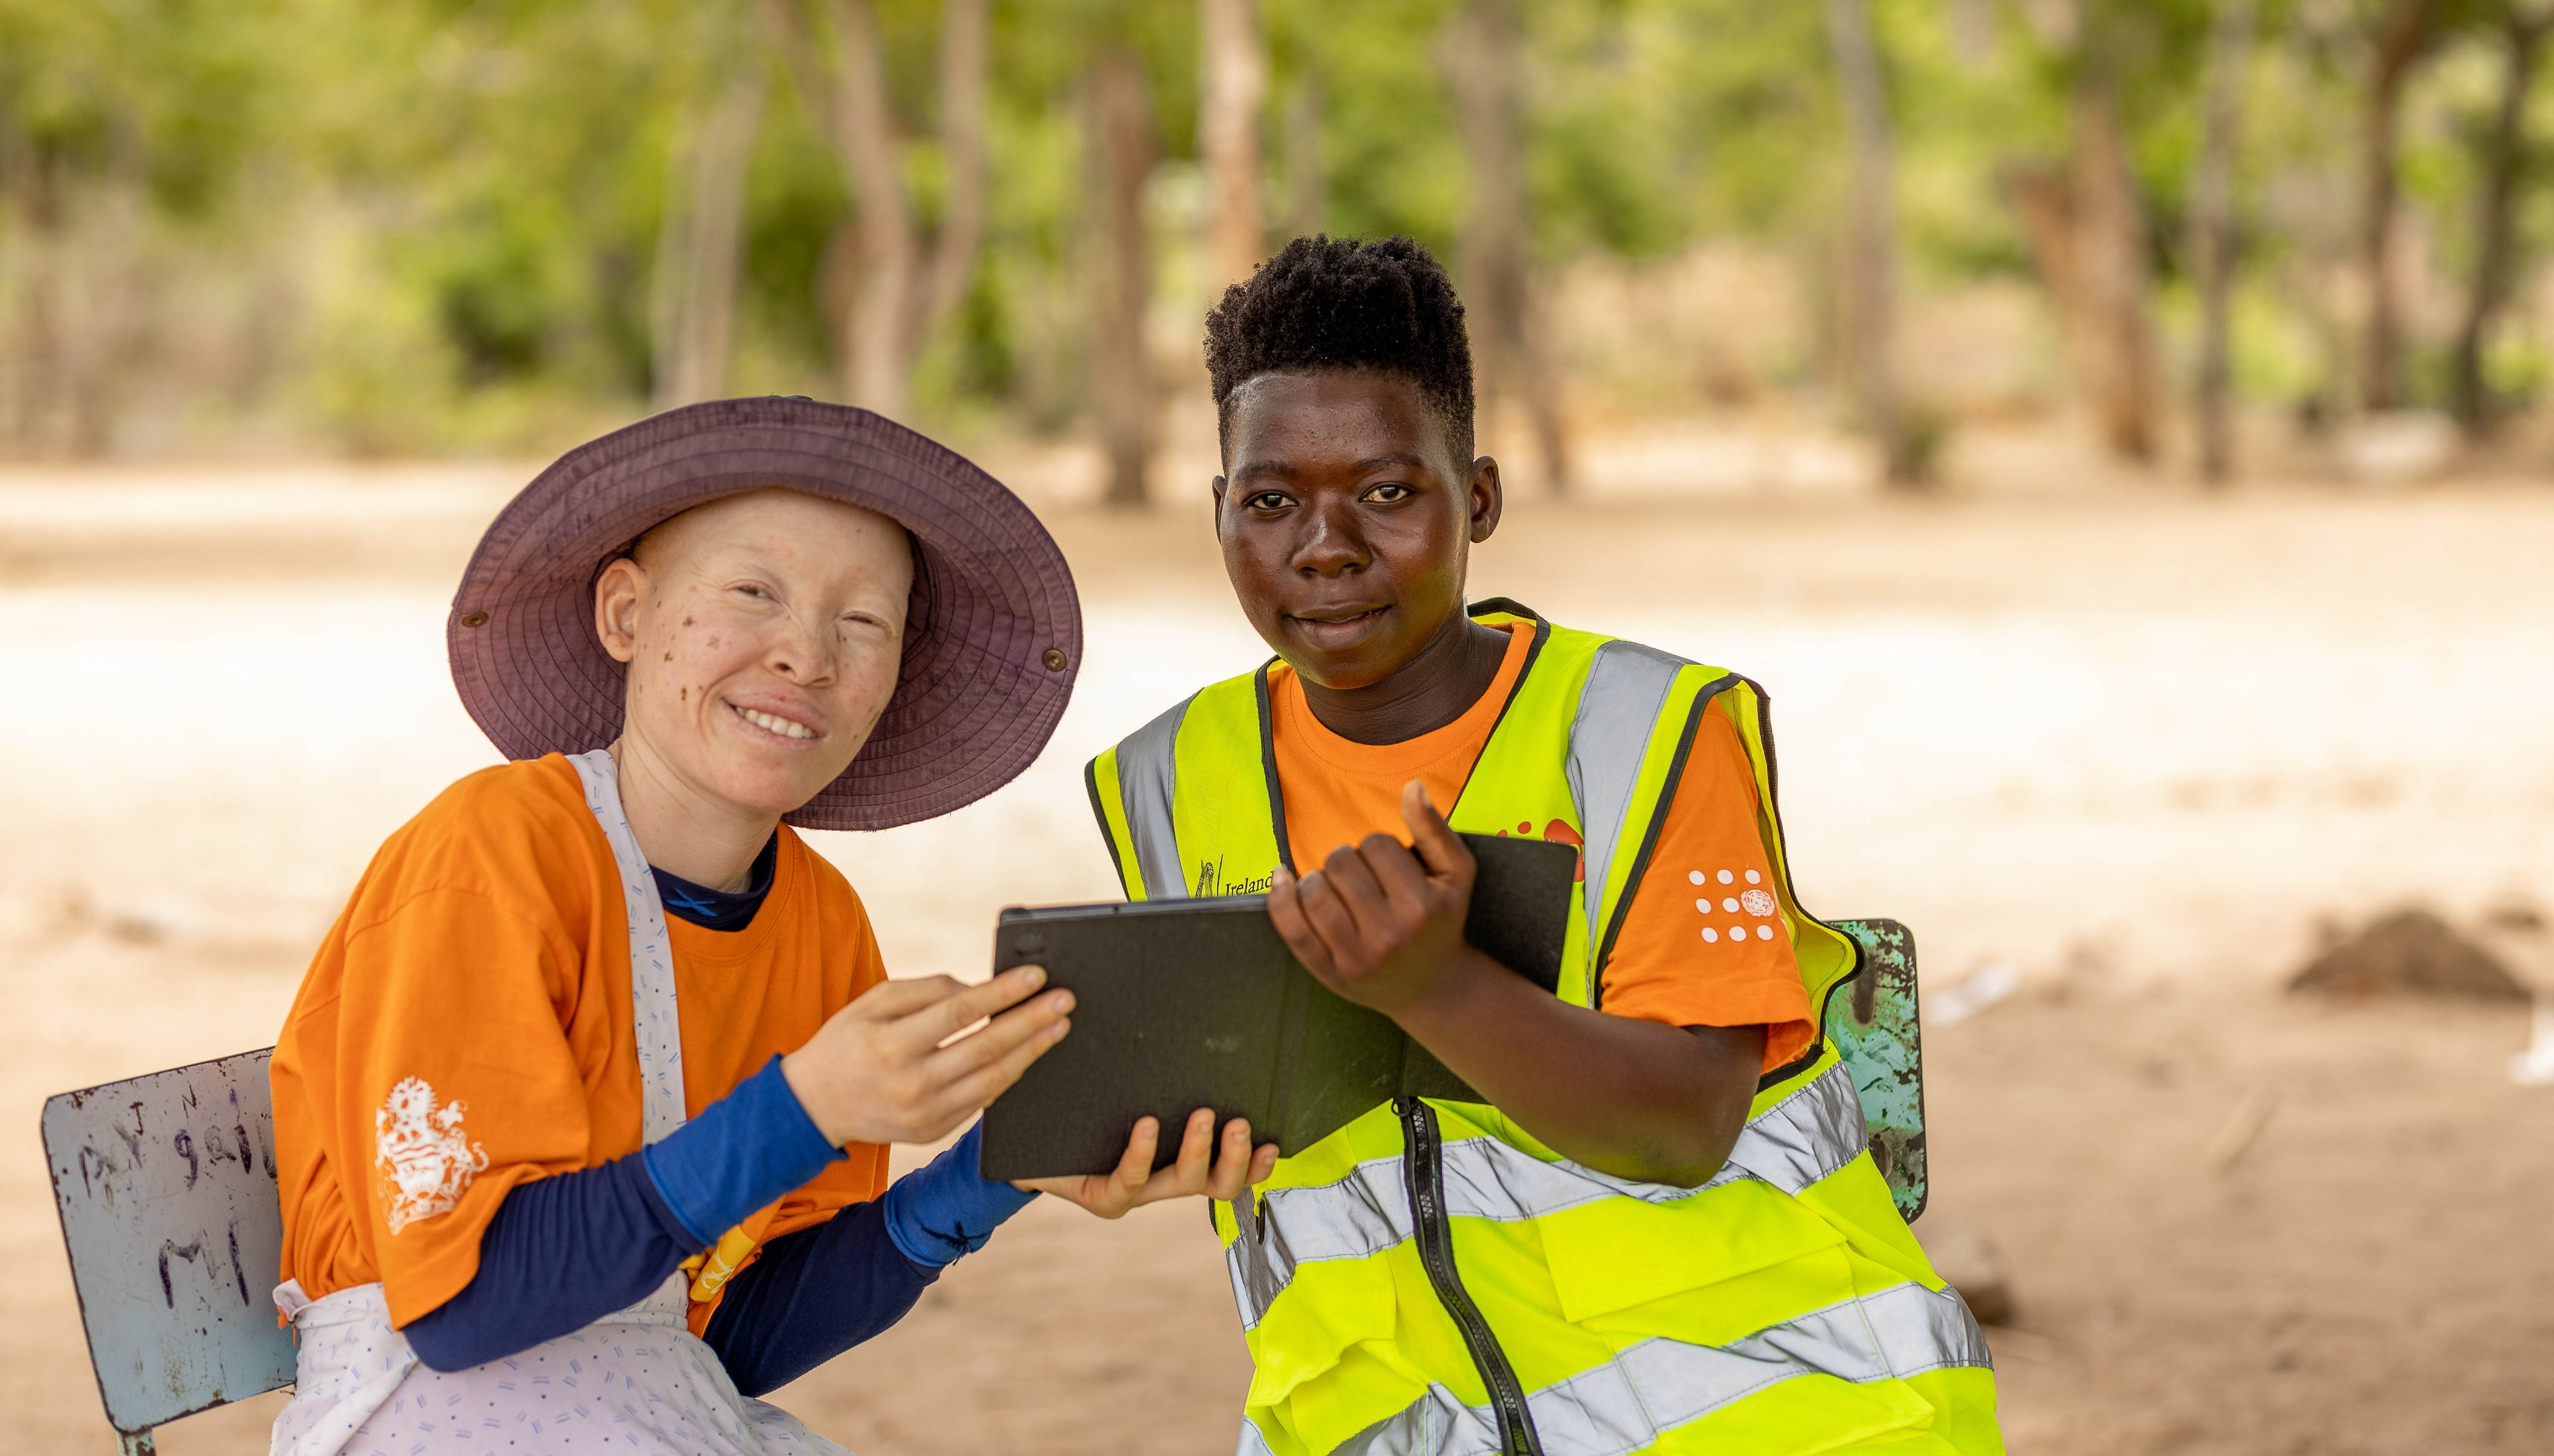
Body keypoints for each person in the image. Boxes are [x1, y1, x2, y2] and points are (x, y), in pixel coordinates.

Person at [1085, 238, 2003, 1456]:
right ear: (1218, 511)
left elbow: (1682, 1127)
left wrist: (1440, 986)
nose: (1323, 545)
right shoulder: (1165, 778)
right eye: (1270, 500)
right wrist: (1137, 1147)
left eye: (1385, 491)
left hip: (1773, 1409)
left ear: (1478, 497)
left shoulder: (1644, 734)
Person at [269, 396, 1272, 1456]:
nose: (806, 654)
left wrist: (996, 1168)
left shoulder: (824, 922)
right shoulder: (492, 851)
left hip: (648, 1409)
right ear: (626, 614)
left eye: (863, 622)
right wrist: (803, 1107)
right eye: (753, 592)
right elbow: (466, 1311)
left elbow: (722, 1333)